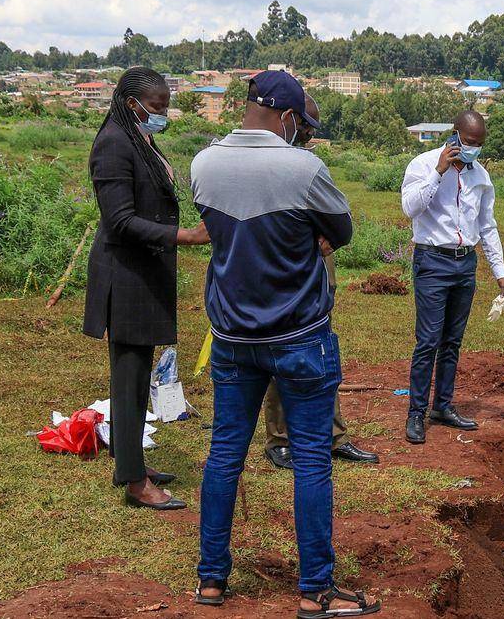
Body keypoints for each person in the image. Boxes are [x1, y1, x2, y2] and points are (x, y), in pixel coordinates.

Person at [189, 71, 378, 616]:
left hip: (230, 337)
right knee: (314, 458)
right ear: (290, 119)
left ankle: (211, 582)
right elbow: (340, 231)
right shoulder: (304, 168)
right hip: (299, 336)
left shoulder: (203, 164)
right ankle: (317, 590)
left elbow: (218, 230)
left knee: (225, 454)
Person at [83, 66, 209, 511]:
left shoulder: (136, 136)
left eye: (165, 107)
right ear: (132, 101)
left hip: (143, 271)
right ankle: (136, 483)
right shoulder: (114, 143)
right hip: (127, 274)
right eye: (156, 108)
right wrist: (184, 236)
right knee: (131, 375)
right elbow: (119, 220)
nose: (162, 114)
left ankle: (129, 457)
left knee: (135, 377)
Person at [261, 93, 378, 469]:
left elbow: (337, 214)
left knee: (322, 350)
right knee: (281, 351)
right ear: (290, 119)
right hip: (279, 271)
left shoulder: (310, 165)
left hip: (316, 269)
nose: (310, 134)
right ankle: (279, 439)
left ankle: (334, 435)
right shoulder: (263, 165)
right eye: (307, 126)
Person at [398, 109, 504, 444]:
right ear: (455, 134)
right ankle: (416, 413)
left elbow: (487, 226)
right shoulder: (423, 164)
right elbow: (410, 208)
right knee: (428, 340)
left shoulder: (481, 177)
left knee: (452, 341)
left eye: (479, 144)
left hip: (465, 264)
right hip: (433, 261)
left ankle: (442, 406)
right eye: (469, 141)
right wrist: (439, 173)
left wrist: (500, 271)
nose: (474, 148)